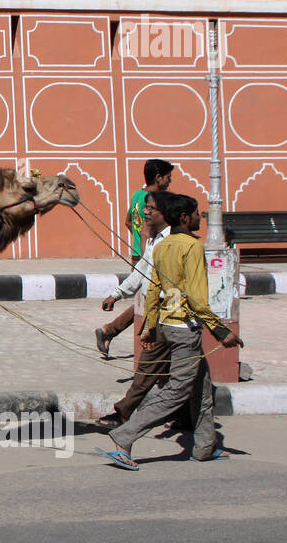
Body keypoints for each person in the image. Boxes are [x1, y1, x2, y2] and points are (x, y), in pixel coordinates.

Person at [103, 193, 244, 469]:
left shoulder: (163, 246)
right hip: (184, 329)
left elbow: (154, 288)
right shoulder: (191, 247)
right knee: (176, 392)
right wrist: (219, 330)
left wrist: (151, 327)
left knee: (201, 389)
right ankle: (124, 436)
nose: (199, 217)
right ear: (183, 218)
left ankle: (204, 447)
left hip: (168, 325)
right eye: (196, 213)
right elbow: (196, 297)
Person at [95, 190, 171, 427]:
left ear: (165, 213)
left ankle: (124, 420)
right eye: (145, 208)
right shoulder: (154, 240)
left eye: (150, 208)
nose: (145, 212)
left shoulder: (173, 243)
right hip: (157, 313)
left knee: (150, 372)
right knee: (182, 376)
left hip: (169, 316)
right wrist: (116, 294)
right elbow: (141, 274)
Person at [95, 158, 175, 354]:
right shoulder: (156, 200)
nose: (169, 181)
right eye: (168, 178)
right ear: (159, 178)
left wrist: (140, 243)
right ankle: (111, 330)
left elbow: (128, 222)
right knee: (151, 300)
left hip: (139, 253)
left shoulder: (137, 195)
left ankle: (110, 331)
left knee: (146, 300)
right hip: (149, 257)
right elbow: (148, 229)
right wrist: (149, 246)